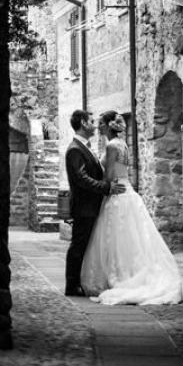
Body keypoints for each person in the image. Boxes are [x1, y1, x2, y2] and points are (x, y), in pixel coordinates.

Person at [80, 110, 183, 305]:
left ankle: (120, 276)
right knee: (133, 238)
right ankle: (132, 272)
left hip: (116, 192)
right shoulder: (123, 144)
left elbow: (109, 176)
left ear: (109, 125)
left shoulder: (111, 146)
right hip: (127, 190)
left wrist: (97, 187)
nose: (98, 125)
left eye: (101, 122)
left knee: (116, 237)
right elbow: (123, 170)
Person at [63, 109, 124, 297]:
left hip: (91, 205)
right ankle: (72, 286)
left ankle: (81, 281)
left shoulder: (85, 147)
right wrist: (106, 188)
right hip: (84, 206)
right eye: (91, 120)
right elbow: (82, 179)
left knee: (84, 245)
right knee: (78, 245)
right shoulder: (75, 149)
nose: (95, 125)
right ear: (83, 123)